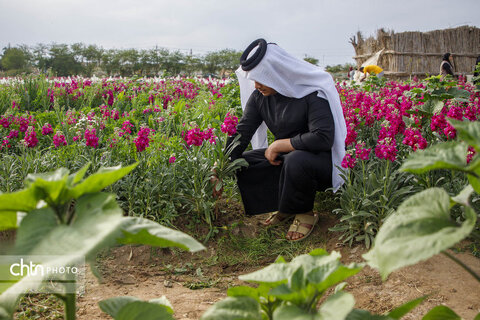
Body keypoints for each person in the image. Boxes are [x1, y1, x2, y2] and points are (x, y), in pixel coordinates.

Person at [220, 39, 346, 241]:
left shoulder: (311, 94)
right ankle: (285, 207)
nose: (256, 85)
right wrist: (221, 165)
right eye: (254, 79)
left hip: (321, 162)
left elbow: (323, 138)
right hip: (291, 157)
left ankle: (305, 213)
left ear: (277, 73)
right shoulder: (260, 97)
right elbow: (243, 131)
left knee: (296, 160)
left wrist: (280, 144)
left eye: (262, 78)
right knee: (246, 161)